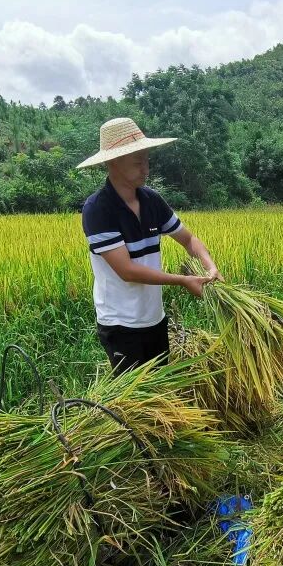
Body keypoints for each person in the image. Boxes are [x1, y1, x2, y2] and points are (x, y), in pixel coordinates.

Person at [77, 117, 222, 374]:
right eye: (137, 162)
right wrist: (183, 280)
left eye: (146, 159)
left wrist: (210, 266)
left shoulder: (152, 200)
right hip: (121, 325)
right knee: (136, 404)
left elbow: (188, 239)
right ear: (113, 163)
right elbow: (127, 271)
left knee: (159, 393)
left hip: (154, 318)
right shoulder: (98, 209)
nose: (146, 169)